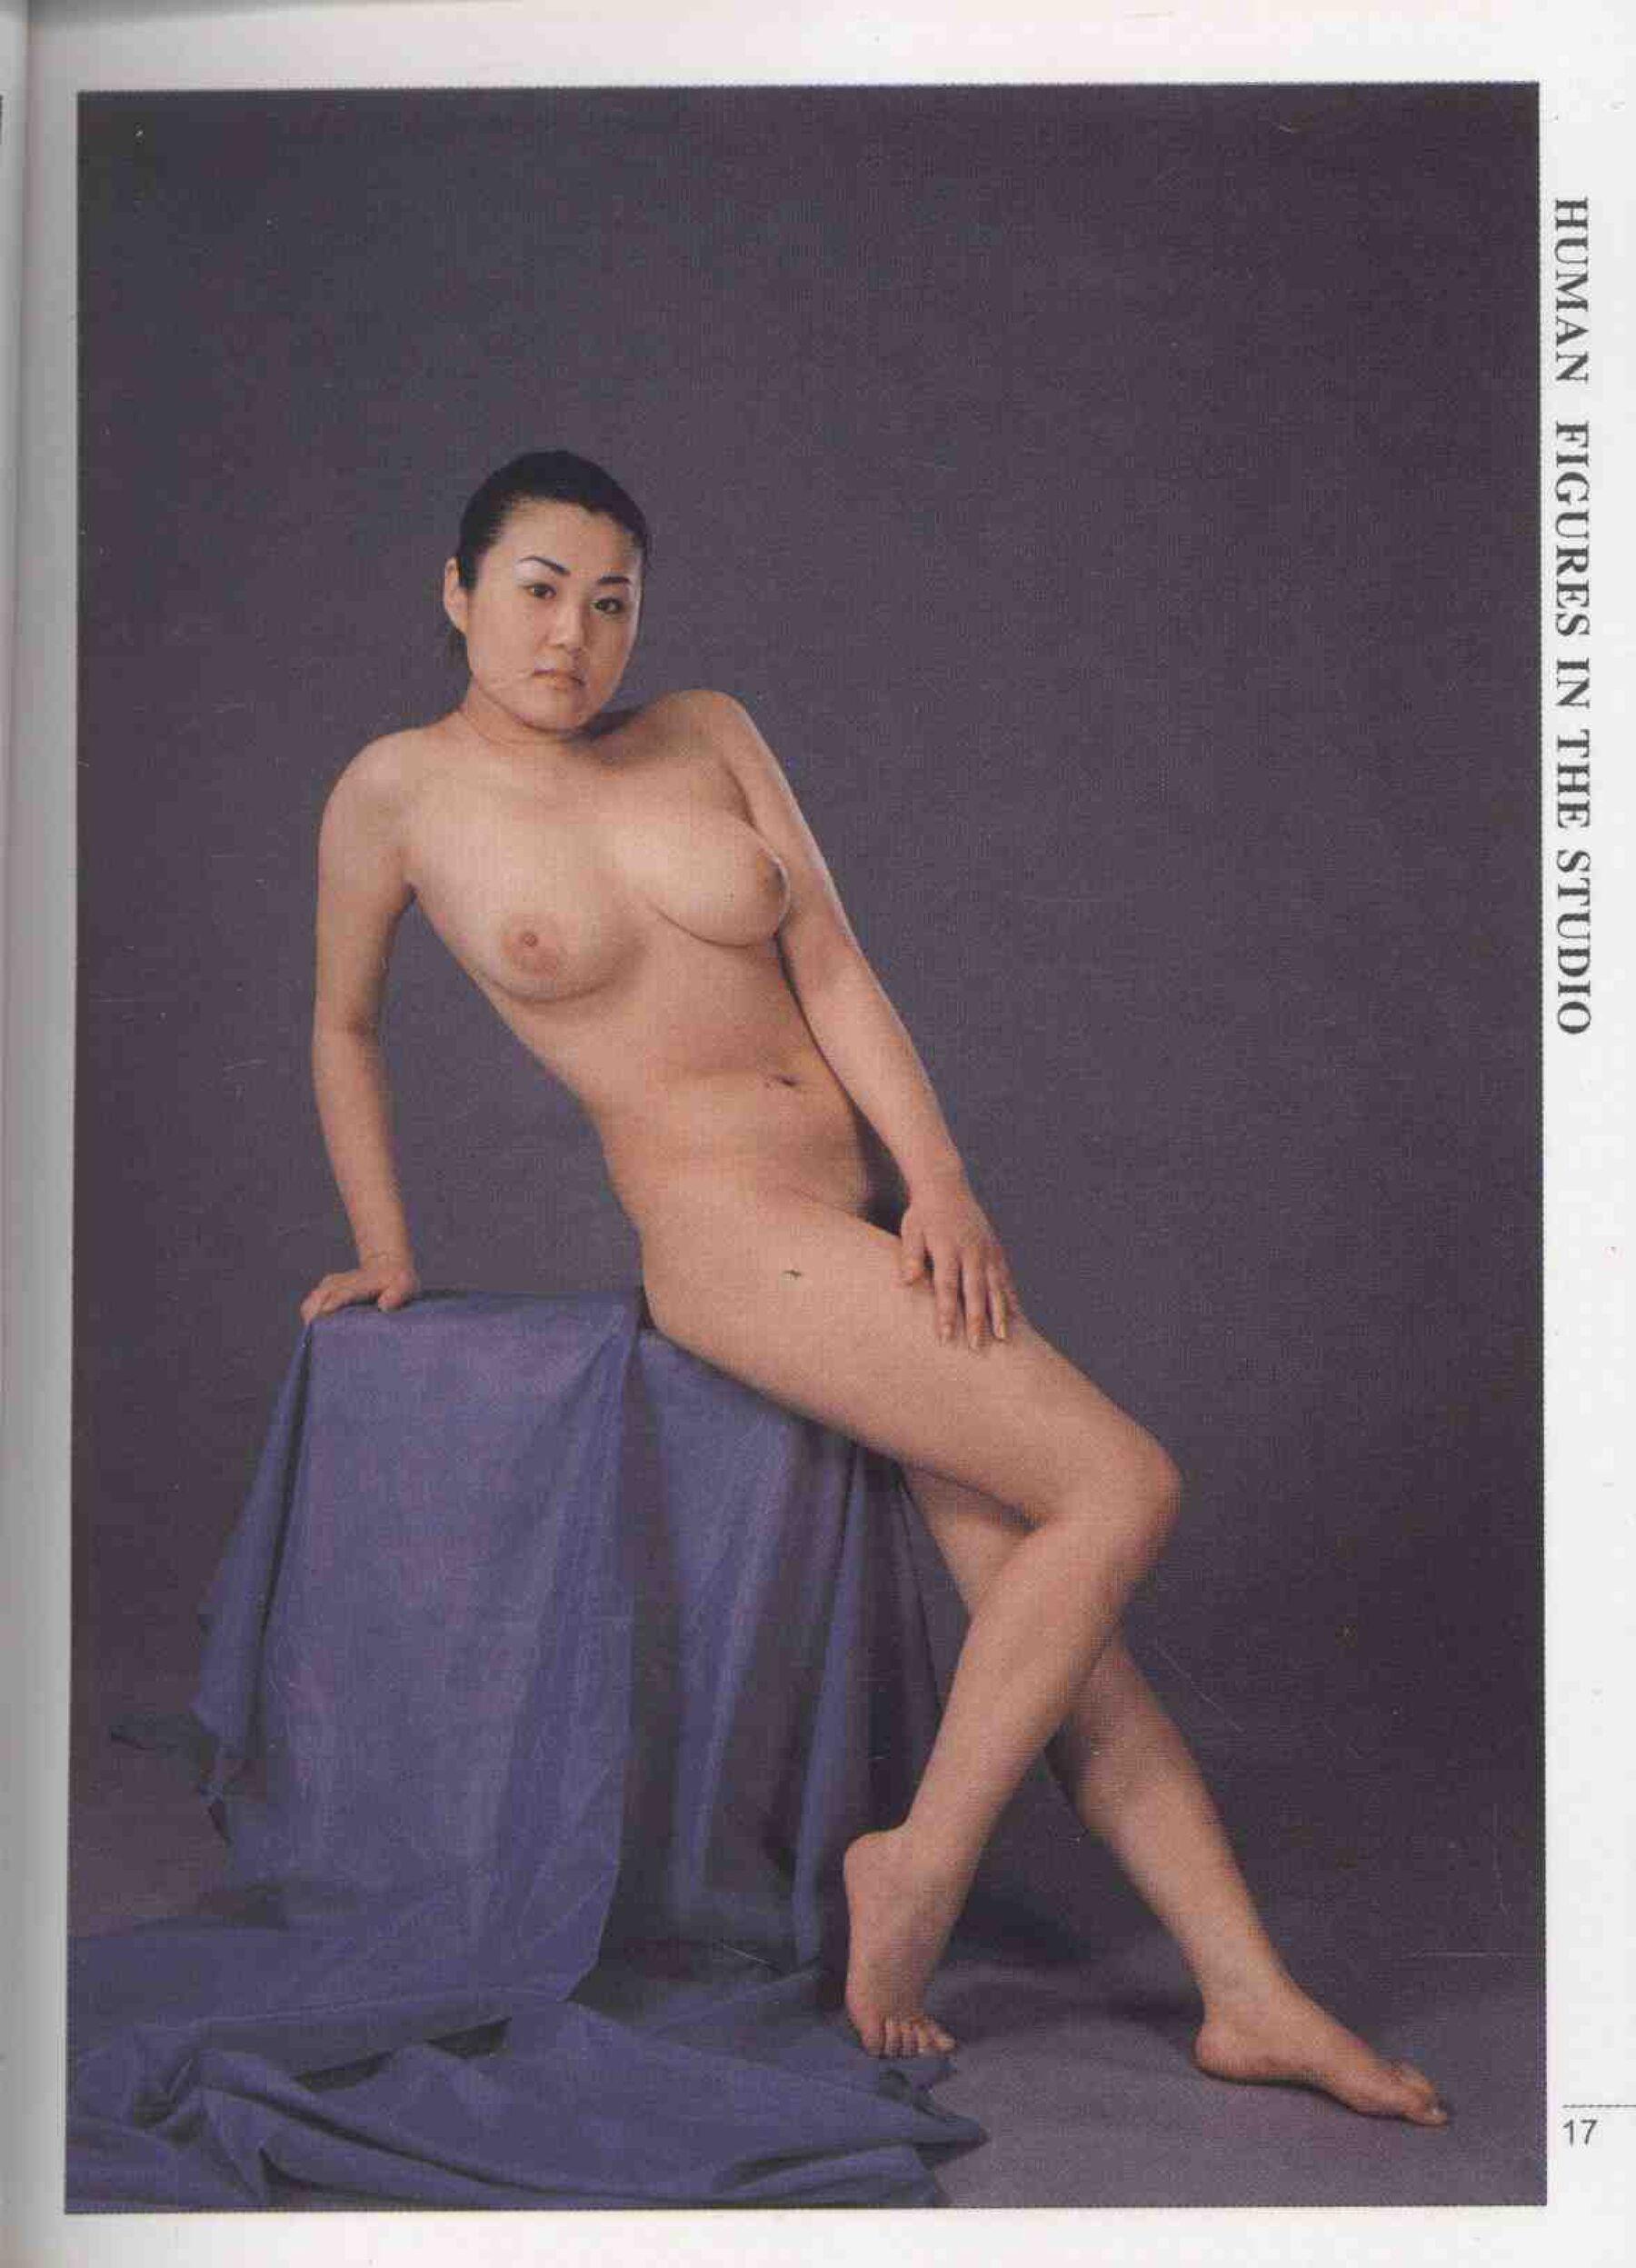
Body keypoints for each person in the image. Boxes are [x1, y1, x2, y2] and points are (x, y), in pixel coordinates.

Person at [299, 448, 1447, 2125]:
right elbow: (343, 1024)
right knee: (1119, 1485)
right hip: (731, 1240)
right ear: (458, 591)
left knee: (1058, 1628)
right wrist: (388, 1243)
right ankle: (914, 1865)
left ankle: (1248, 1997)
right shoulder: (396, 794)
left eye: (611, 603)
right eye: (538, 592)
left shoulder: (707, 728)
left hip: (873, 1221)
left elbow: (831, 961)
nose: (572, 637)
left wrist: (945, 1183)